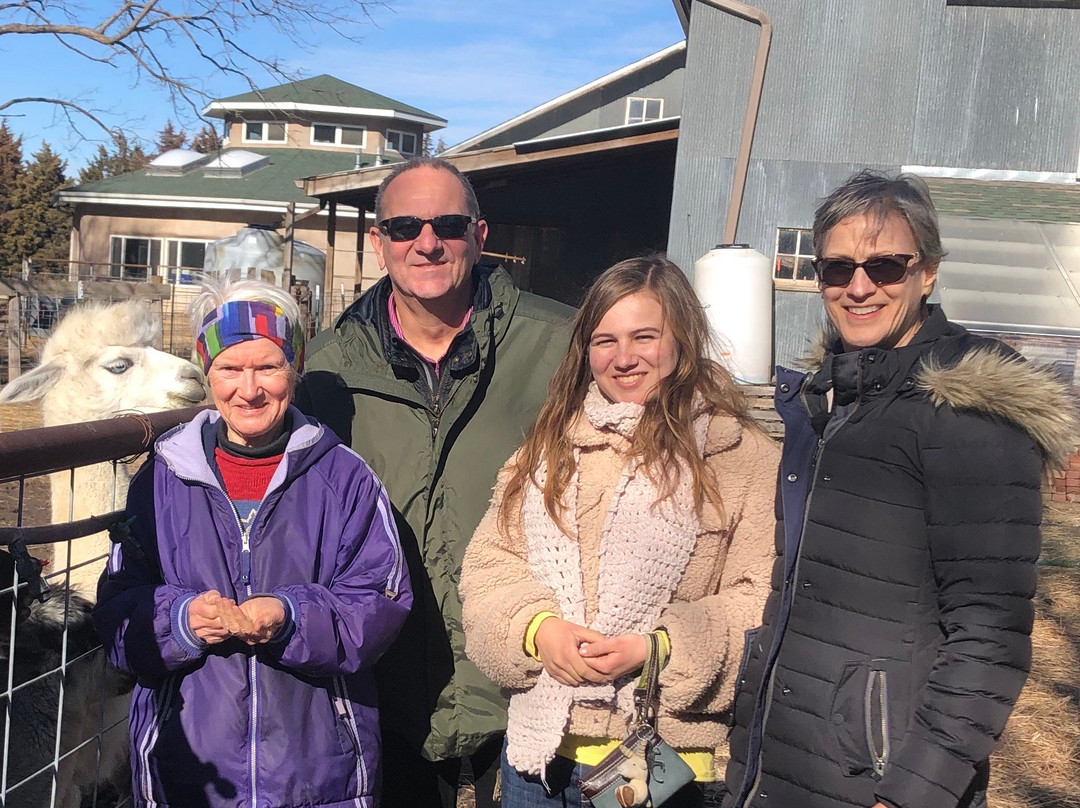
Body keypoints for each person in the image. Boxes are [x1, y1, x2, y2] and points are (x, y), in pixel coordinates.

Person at [722, 170, 1076, 808]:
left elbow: (989, 635)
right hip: (785, 761)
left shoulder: (967, 415)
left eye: (884, 266)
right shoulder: (830, 403)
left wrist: (914, 792)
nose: (859, 288)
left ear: (928, 272)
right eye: (836, 269)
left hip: (879, 777)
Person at [297, 157, 575, 808]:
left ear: (479, 234)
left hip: (529, 672)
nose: (426, 243)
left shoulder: (560, 346)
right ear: (377, 243)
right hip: (386, 681)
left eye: (447, 224)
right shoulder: (326, 373)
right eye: (403, 227)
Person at [460, 255, 780, 807]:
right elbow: (490, 566)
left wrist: (659, 649)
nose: (624, 357)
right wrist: (538, 632)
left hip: (663, 761)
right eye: (605, 340)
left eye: (644, 337)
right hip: (540, 760)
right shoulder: (547, 449)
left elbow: (763, 597)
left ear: (681, 338)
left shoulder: (739, 457)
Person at [93, 278, 411, 808]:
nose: (249, 389)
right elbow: (120, 613)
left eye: (268, 367)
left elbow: (381, 602)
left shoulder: (346, 480)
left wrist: (290, 617)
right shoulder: (160, 480)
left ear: (296, 368)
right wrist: (179, 621)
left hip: (316, 777)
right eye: (230, 369)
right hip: (189, 774)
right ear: (208, 373)